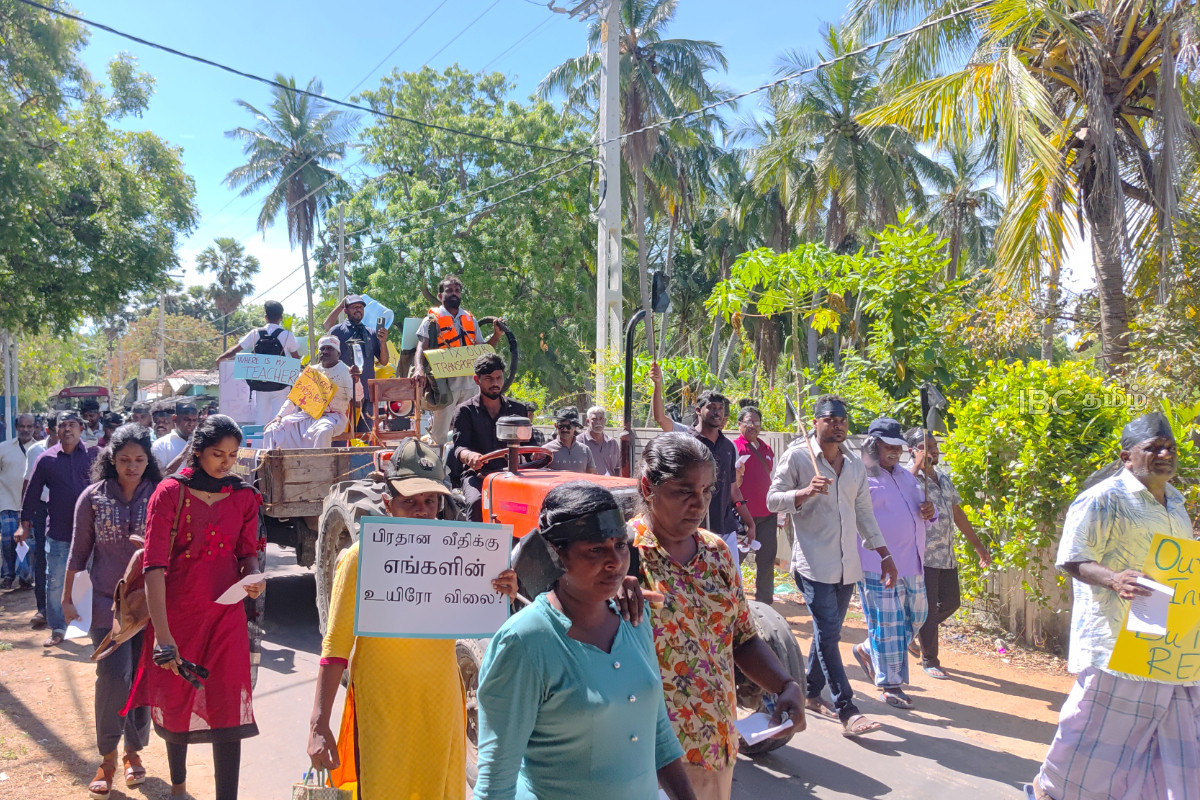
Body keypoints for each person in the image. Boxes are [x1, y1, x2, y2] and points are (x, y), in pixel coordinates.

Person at [309, 439, 517, 799]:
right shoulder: (361, 558)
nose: (423, 511)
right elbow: (335, 648)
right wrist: (317, 723)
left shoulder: (462, 557)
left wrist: (503, 593)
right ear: (388, 503)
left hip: (440, 702)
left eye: (430, 501)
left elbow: (489, 628)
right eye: (411, 501)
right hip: (383, 707)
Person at [474, 481, 696, 800]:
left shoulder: (634, 618)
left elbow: (658, 735)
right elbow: (495, 782)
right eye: (595, 549)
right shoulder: (525, 642)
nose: (615, 562)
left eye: (620, 545)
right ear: (555, 552)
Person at [1030, 412, 1199, 800]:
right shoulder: (1102, 499)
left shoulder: (1176, 504)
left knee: (1172, 738)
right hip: (1116, 641)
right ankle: (1051, 790)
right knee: (1093, 736)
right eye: (1152, 447)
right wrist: (1114, 578)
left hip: (1167, 647)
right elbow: (1072, 558)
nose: (1164, 453)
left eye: (1169, 447)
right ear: (1127, 457)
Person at [631, 433, 805, 799]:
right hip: (647, 761)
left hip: (717, 751)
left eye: (707, 491)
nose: (699, 504)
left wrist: (785, 685)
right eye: (684, 491)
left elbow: (741, 638)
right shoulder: (621, 557)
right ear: (649, 487)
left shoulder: (716, 553)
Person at [127, 415, 264, 800]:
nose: (225, 463)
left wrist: (252, 577)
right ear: (198, 451)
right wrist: (163, 638)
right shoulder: (169, 493)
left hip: (227, 618)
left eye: (233, 456)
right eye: (218, 454)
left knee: (228, 708)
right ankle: (179, 787)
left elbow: (247, 554)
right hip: (176, 617)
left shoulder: (244, 495)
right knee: (176, 701)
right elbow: (154, 567)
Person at [766, 394, 894, 736]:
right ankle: (847, 709)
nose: (837, 424)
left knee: (828, 632)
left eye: (842, 419)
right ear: (816, 423)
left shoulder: (853, 466)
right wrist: (805, 491)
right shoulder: (798, 457)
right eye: (830, 418)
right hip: (812, 563)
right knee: (827, 632)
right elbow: (771, 499)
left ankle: (810, 691)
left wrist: (884, 553)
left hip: (846, 566)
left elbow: (864, 513)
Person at [64, 424, 161, 798]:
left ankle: (133, 754)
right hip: (106, 605)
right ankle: (107, 758)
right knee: (113, 679)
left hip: (151, 604)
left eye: (139, 460)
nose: (132, 466)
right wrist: (67, 598)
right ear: (111, 459)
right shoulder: (92, 498)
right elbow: (78, 551)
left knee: (140, 679)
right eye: (124, 460)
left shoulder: (159, 495)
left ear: (148, 460)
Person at [851, 417, 934, 710]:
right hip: (877, 563)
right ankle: (889, 684)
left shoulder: (907, 477)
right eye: (888, 447)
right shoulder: (861, 478)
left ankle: (866, 650)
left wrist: (929, 511)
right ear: (873, 447)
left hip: (912, 562)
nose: (895, 452)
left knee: (917, 616)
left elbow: (920, 511)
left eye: (898, 447)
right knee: (887, 625)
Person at [905, 428, 992, 678]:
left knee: (952, 603)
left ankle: (913, 633)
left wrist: (977, 545)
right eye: (927, 447)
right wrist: (917, 468)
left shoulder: (943, 478)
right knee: (930, 610)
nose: (934, 450)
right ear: (914, 451)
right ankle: (930, 660)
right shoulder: (906, 477)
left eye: (935, 446)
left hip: (946, 555)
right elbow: (897, 496)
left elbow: (957, 513)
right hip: (922, 556)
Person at [18, 411, 96, 646]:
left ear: (81, 428)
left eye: (71, 425)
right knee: (55, 582)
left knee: (93, 579)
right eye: (62, 426)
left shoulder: (95, 455)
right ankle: (58, 628)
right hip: (59, 531)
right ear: (54, 431)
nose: (67, 429)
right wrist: (23, 526)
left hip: (92, 532)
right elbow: (31, 494)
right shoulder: (46, 459)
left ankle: (94, 627)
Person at [412, 275, 505, 446]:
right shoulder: (431, 321)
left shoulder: (470, 319)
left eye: (457, 291)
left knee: (473, 429)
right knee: (439, 434)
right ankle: (435, 468)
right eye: (449, 291)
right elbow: (421, 347)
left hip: (471, 384)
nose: (454, 294)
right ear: (440, 296)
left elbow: (483, 350)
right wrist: (419, 368)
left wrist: (497, 335)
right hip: (445, 385)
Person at [450, 354, 531, 522]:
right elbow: (459, 447)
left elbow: (530, 445)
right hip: (478, 475)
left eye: (498, 378)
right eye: (489, 379)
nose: (495, 383)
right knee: (478, 501)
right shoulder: (465, 411)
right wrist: (470, 457)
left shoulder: (518, 409)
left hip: (513, 475)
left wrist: (535, 455)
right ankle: (475, 544)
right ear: (476, 379)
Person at [218, 301, 303, 427]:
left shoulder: (255, 333)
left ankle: (259, 445)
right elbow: (296, 358)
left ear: (265, 317)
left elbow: (236, 350)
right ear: (281, 317)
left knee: (261, 421)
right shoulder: (287, 336)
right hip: (281, 385)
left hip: (260, 385)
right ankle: (277, 445)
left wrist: (220, 358)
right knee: (279, 421)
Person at [263, 336, 356, 450]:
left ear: (338, 353)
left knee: (323, 432)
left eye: (330, 348)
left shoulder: (347, 372)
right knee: (272, 429)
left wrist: (356, 380)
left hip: (333, 418)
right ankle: (272, 465)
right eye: (322, 349)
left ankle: (319, 466)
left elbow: (358, 398)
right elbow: (294, 398)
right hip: (306, 417)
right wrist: (279, 416)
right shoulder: (312, 371)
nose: (325, 351)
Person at [323, 294, 390, 433]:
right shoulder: (338, 331)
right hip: (343, 393)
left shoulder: (371, 332)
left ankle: (363, 456)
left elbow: (384, 361)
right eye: (354, 307)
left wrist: (383, 342)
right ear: (346, 311)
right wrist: (341, 305)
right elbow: (327, 325)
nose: (358, 310)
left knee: (364, 434)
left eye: (361, 307)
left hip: (366, 392)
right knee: (343, 434)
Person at [733, 407, 777, 604]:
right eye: (748, 422)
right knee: (736, 561)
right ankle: (733, 601)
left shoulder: (767, 450)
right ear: (739, 424)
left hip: (768, 515)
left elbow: (770, 477)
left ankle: (765, 603)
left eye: (756, 422)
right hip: (742, 516)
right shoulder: (733, 447)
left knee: (767, 561)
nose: (753, 426)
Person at [23, 411, 56, 628]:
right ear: (49, 430)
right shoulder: (36, 451)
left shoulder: (81, 450)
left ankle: (70, 611)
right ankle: (43, 610)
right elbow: (28, 485)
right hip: (43, 509)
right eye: (57, 429)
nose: (64, 432)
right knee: (43, 559)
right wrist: (23, 519)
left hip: (70, 509)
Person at [0, 413, 36, 591]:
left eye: (29, 426)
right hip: (7, 501)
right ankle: (8, 575)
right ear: (16, 428)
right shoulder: (4, 448)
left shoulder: (39, 449)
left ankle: (25, 577)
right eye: (22, 426)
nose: (26, 430)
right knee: (7, 540)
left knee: (26, 542)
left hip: (29, 505)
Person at [544, 407, 596, 474]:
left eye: (569, 426)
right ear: (556, 426)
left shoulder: (585, 450)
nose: (565, 429)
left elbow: (592, 475)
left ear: (575, 427)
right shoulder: (546, 451)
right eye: (561, 426)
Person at [151, 403, 199, 471]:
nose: (191, 424)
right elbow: (161, 475)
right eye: (186, 419)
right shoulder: (160, 445)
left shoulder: (201, 441)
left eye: (194, 420)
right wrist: (187, 448)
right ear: (174, 418)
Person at [582, 405, 621, 476]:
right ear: (588, 421)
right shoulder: (580, 442)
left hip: (611, 484)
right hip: (590, 484)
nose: (598, 422)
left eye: (601, 419)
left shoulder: (612, 443)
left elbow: (617, 468)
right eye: (594, 419)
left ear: (605, 421)